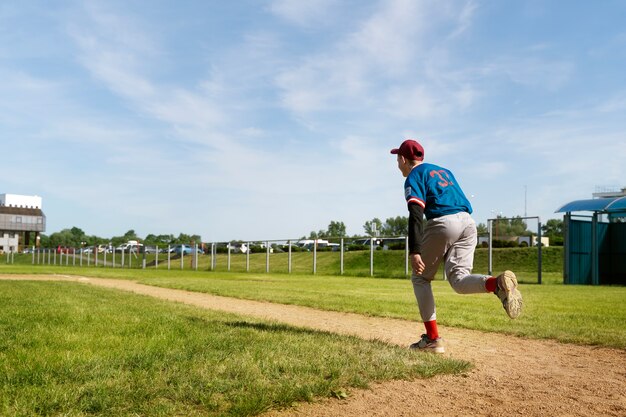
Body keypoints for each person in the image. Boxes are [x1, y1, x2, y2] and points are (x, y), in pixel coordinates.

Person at [390, 139, 522, 353]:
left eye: (398, 159)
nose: (398, 164)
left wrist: (414, 251)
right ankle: (496, 284)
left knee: (420, 278)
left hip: (443, 222)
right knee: (459, 281)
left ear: (404, 159)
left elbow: (416, 214)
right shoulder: (444, 171)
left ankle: (433, 340)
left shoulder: (415, 175)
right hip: (468, 223)